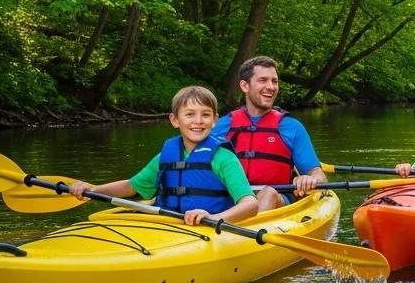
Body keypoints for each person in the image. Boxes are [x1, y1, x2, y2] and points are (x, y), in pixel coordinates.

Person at [68, 86, 257, 226]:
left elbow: (250, 204)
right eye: (190, 114)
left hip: (210, 227)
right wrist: (92, 190)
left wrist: (214, 218)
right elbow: (131, 186)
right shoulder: (166, 156)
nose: (198, 121)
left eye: (205, 115)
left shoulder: (224, 158)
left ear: (215, 121)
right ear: (175, 120)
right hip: (169, 226)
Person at [213, 56, 327, 211]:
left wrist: (309, 179)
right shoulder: (222, 126)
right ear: (245, 86)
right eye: (263, 80)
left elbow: (318, 175)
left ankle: (251, 231)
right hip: (232, 200)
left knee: (268, 193)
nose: (271, 86)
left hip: (277, 200)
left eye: (274, 81)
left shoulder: (291, 127)